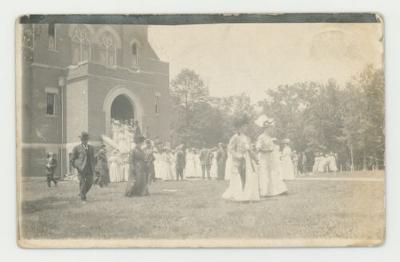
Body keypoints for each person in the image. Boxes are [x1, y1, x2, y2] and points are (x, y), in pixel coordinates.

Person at [222, 116, 260, 202]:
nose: (244, 128)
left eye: (245, 127)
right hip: (238, 160)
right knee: (238, 177)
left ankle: (245, 195)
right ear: (239, 128)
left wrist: (255, 158)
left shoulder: (247, 138)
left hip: (247, 160)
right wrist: (238, 155)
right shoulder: (235, 137)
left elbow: (250, 150)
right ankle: (238, 195)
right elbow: (230, 149)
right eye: (243, 127)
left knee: (246, 177)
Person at [71, 131, 96, 201]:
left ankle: (82, 192)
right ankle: (83, 198)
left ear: (88, 139)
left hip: (89, 168)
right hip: (81, 169)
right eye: (83, 139)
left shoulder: (91, 148)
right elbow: (72, 160)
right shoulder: (76, 148)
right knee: (82, 183)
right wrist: (78, 166)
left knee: (90, 182)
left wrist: (94, 167)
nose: (85, 141)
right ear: (81, 140)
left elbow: (93, 159)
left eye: (86, 139)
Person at [256, 119, 276, 196]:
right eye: (269, 128)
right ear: (265, 128)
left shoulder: (269, 137)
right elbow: (258, 148)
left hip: (269, 157)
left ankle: (269, 191)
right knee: (264, 173)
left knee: (269, 173)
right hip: (263, 157)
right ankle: (263, 191)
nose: (270, 129)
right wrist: (267, 150)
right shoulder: (261, 137)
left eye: (270, 127)